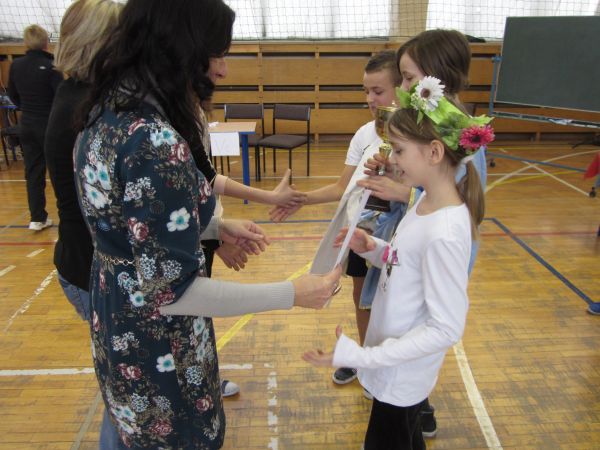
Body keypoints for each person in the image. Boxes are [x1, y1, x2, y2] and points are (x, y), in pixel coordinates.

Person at [73, 1, 341, 448]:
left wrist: (211, 228)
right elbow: (174, 294)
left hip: (119, 319)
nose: (223, 69)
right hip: (157, 343)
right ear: (182, 48)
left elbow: (130, 226)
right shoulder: (154, 141)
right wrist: (292, 293)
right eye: (217, 53)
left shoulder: (105, 114)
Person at [303, 78, 492, 450]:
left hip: (400, 373)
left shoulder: (445, 230)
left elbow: (446, 328)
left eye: (400, 150)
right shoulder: (425, 204)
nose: (391, 160)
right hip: (393, 368)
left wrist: (365, 356)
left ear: (434, 152)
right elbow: (404, 260)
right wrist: (373, 247)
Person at [359, 29, 490, 437]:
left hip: (420, 305)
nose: (402, 87)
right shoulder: (426, 199)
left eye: (408, 77)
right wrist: (397, 172)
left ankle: (419, 403)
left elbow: (443, 320)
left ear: (437, 77)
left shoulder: (460, 148)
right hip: (407, 280)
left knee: (400, 416)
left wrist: (400, 186)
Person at [269, 51, 411, 390]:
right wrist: (300, 199)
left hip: (399, 233)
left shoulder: (416, 136)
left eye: (378, 91)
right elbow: (341, 187)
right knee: (362, 296)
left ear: (402, 89)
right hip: (362, 230)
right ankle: (365, 359)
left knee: (395, 303)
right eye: (366, 91)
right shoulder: (364, 134)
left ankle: (398, 375)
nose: (370, 99)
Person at [43, 1, 124, 447]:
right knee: (126, 398)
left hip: (85, 266)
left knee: (126, 391)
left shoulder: (78, 95)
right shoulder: (86, 110)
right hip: (92, 272)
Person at [8, 24, 63, 231]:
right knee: (59, 172)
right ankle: (66, 216)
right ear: (46, 42)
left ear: (25, 42)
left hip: (27, 125)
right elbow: (60, 97)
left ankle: (37, 218)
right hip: (49, 125)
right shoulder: (52, 66)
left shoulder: (16, 65)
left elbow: (13, 95)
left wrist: (26, 108)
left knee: (33, 172)